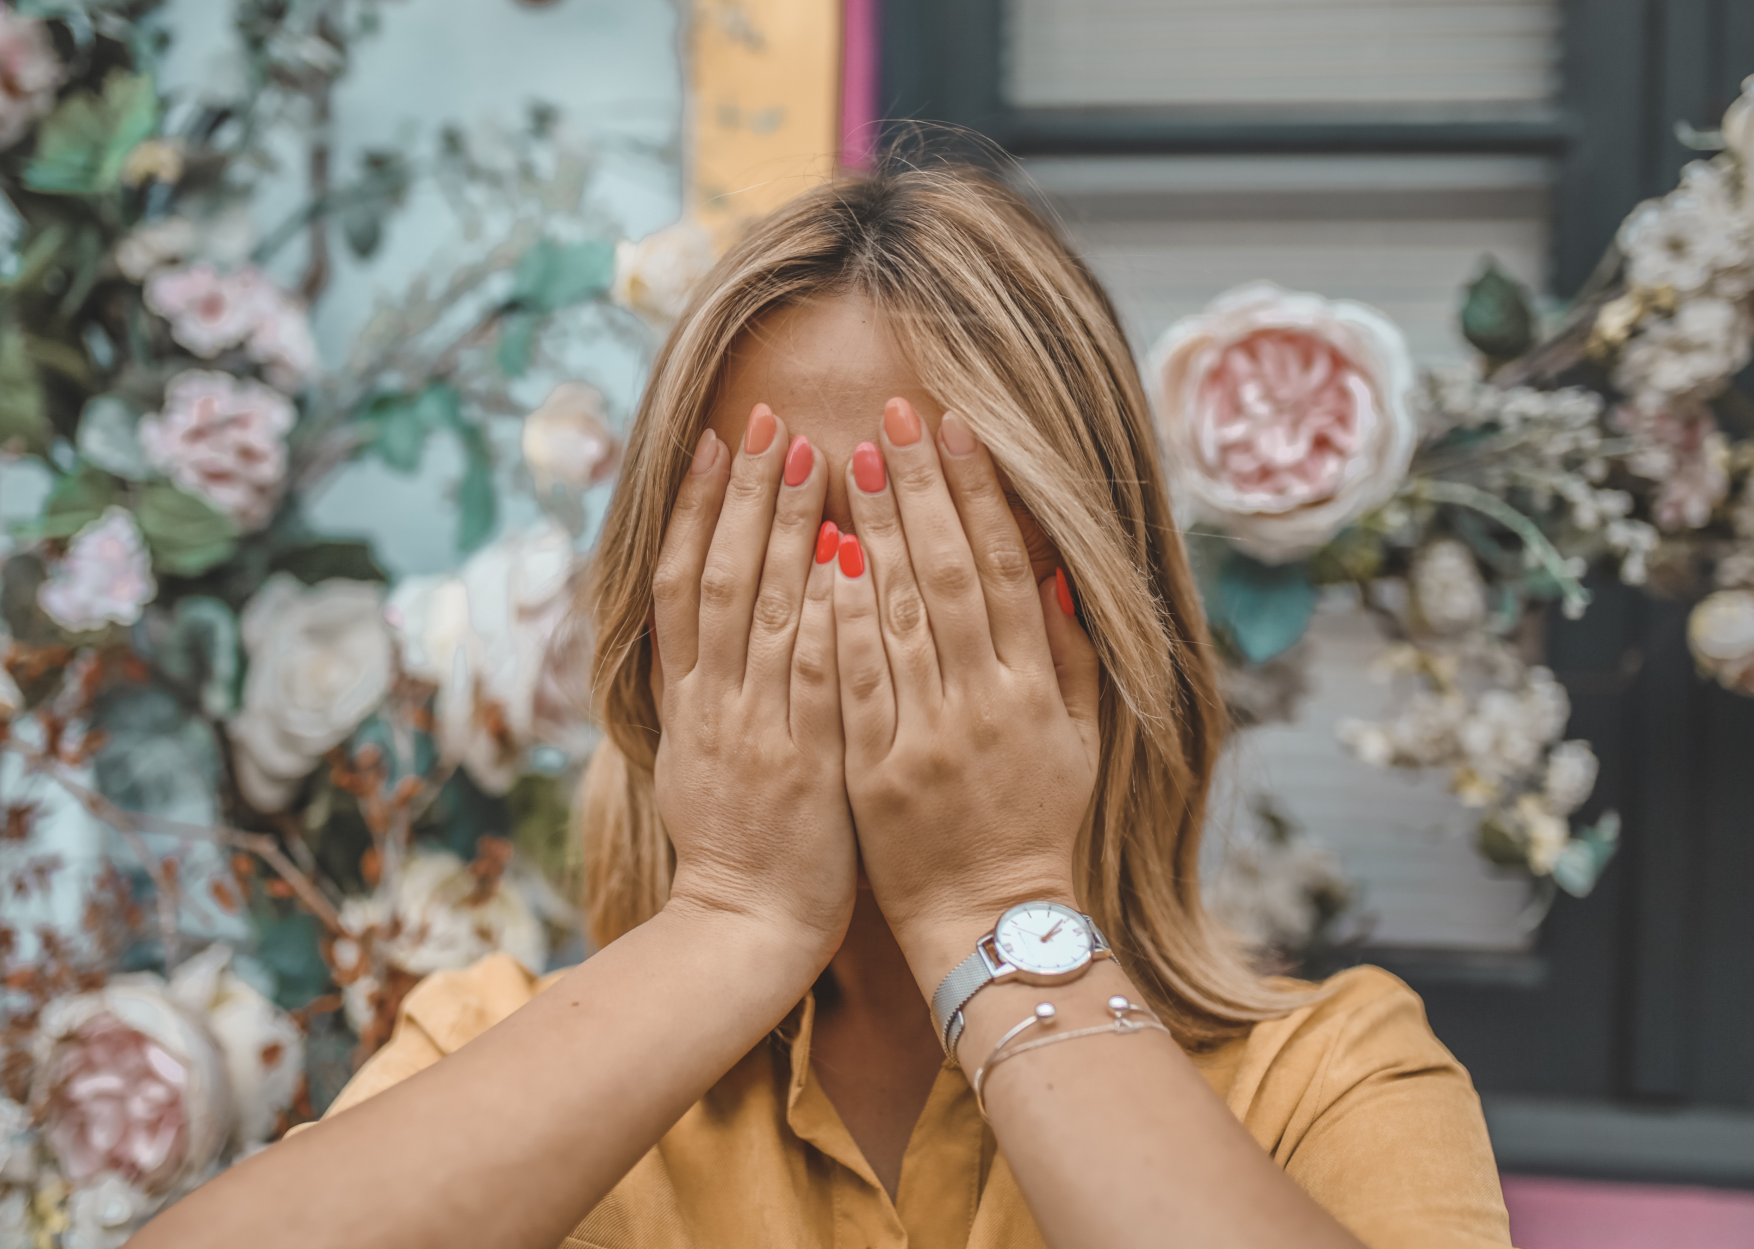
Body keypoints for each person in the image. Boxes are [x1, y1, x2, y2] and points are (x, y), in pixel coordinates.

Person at [137, 166, 1515, 1249]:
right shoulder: (492, 1048)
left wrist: (993, 908)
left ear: (1096, 610)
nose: (861, 629)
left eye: (942, 558)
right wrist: (736, 912)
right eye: (782, 549)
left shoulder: (1327, 1082)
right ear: (661, 624)